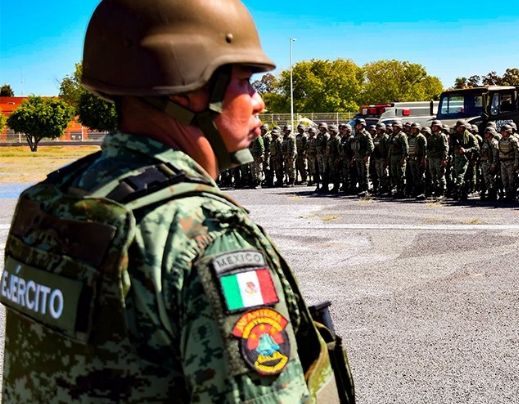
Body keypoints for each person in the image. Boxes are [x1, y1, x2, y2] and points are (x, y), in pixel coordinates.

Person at [0, 0, 353, 402]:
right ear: (188, 91)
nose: (259, 102)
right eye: (246, 82)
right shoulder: (204, 233)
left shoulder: (46, 200)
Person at [497, 124, 519, 203]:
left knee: (512, 180)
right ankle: (507, 195)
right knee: (504, 180)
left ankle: (513, 195)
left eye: (504, 132)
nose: (502, 133)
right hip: (503, 162)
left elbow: (517, 153)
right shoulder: (501, 140)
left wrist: (516, 164)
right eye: (502, 132)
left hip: (511, 162)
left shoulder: (513, 140)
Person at [427, 120, 449, 198]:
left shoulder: (442, 136)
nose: (433, 128)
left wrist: (444, 158)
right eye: (433, 126)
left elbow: (445, 148)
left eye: (435, 126)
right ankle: (436, 190)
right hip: (432, 158)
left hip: (439, 158)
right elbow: (428, 148)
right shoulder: (431, 137)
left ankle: (442, 190)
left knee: (440, 175)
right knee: (433, 175)